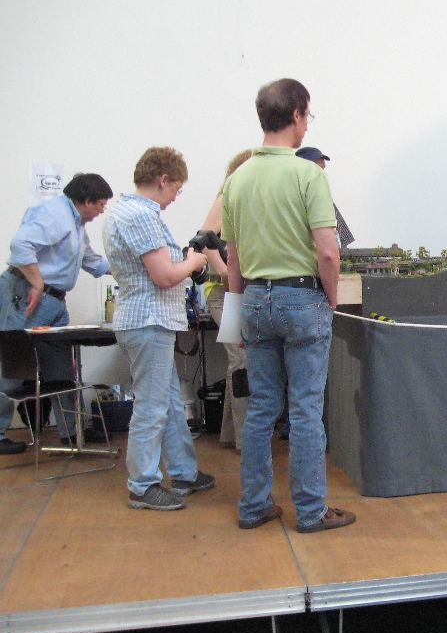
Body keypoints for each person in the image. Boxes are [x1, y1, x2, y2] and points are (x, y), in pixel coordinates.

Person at [222, 78, 356, 534]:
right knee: (304, 409)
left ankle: (254, 505)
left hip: (254, 300)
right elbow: (328, 252)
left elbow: (234, 259)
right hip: (302, 298)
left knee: (261, 407)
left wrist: (236, 316)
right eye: (307, 115)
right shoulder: (308, 175)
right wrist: (331, 298)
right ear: (297, 113)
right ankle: (311, 510)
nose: (307, 124)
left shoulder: (237, 179)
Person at [102, 147, 215, 511]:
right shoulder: (140, 215)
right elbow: (165, 276)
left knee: (167, 402)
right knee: (151, 408)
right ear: (163, 180)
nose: (174, 198)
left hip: (145, 320)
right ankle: (142, 485)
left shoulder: (124, 210)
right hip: (148, 321)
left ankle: (183, 472)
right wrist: (194, 261)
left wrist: (185, 261)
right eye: (176, 189)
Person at [0, 173, 114, 455]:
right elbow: (20, 246)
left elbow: (91, 261)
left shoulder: (76, 224)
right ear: (86, 200)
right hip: (27, 296)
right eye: (101, 204)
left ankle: (71, 432)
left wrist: (132, 271)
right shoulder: (54, 214)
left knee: (61, 370)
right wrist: (38, 283)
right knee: (11, 368)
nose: (102, 211)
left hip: (55, 303)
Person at [198, 149, 252, 452]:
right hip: (224, 293)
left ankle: (232, 433)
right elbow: (204, 239)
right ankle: (245, 439)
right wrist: (224, 271)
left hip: (239, 290)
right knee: (241, 360)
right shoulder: (225, 198)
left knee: (239, 362)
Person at [295, 146, 355, 252]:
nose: (323, 167)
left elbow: (342, 236)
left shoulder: (320, 193)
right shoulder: (295, 193)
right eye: (318, 168)